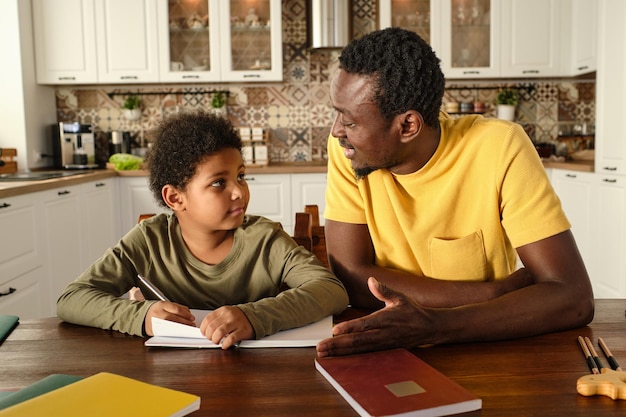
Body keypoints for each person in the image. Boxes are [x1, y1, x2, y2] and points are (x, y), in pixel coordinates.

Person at [315, 28, 594, 358]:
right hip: (387, 348)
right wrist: (491, 294)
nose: (336, 132)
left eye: (349, 121)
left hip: (489, 354)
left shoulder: (499, 147)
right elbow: (350, 276)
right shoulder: (350, 153)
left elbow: (572, 297)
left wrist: (436, 326)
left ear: (407, 126)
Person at [57, 110, 348, 349]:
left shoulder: (265, 239)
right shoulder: (148, 241)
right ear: (175, 198)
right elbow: (72, 299)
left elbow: (331, 291)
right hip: (173, 379)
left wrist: (254, 316)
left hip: (257, 379)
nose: (239, 192)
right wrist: (142, 315)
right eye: (219, 182)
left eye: (241, 176)